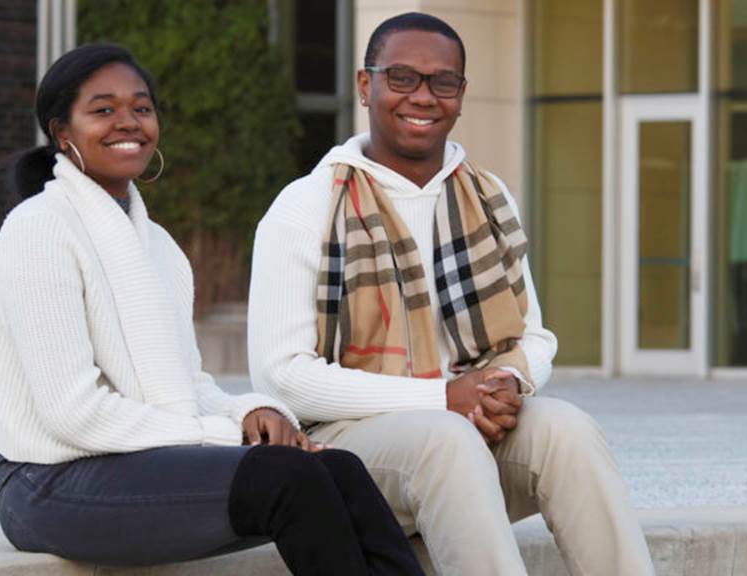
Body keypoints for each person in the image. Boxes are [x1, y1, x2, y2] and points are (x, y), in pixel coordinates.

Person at [0, 43, 424, 576]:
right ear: (62, 132)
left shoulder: (160, 248)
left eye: (142, 108)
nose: (129, 122)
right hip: (44, 483)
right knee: (289, 479)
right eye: (103, 110)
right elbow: (72, 413)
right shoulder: (39, 228)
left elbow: (186, 384)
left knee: (340, 469)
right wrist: (223, 436)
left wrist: (249, 415)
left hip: (134, 465)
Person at [248, 13, 655, 576]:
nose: (424, 97)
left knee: (567, 428)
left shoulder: (488, 198)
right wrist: (443, 398)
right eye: (402, 78)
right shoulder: (306, 206)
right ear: (366, 86)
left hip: (467, 432)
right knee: (446, 438)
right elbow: (281, 376)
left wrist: (504, 383)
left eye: (443, 82)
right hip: (344, 452)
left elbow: (532, 336)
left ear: (461, 95)